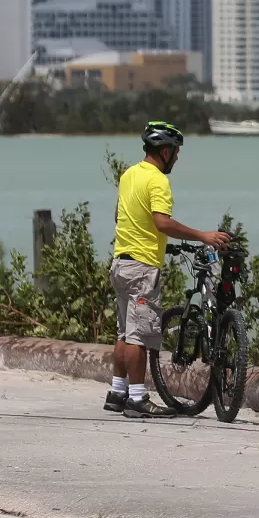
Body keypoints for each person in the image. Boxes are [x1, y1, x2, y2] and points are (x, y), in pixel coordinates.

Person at [106, 121, 230, 418]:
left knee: (125, 333)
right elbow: (162, 222)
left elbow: (119, 214)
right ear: (164, 152)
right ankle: (137, 399)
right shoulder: (158, 181)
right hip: (141, 267)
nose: (177, 158)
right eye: (175, 152)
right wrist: (203, 235)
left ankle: (117, 392)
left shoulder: (129, 174)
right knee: (138, 336)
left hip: (120, 263)